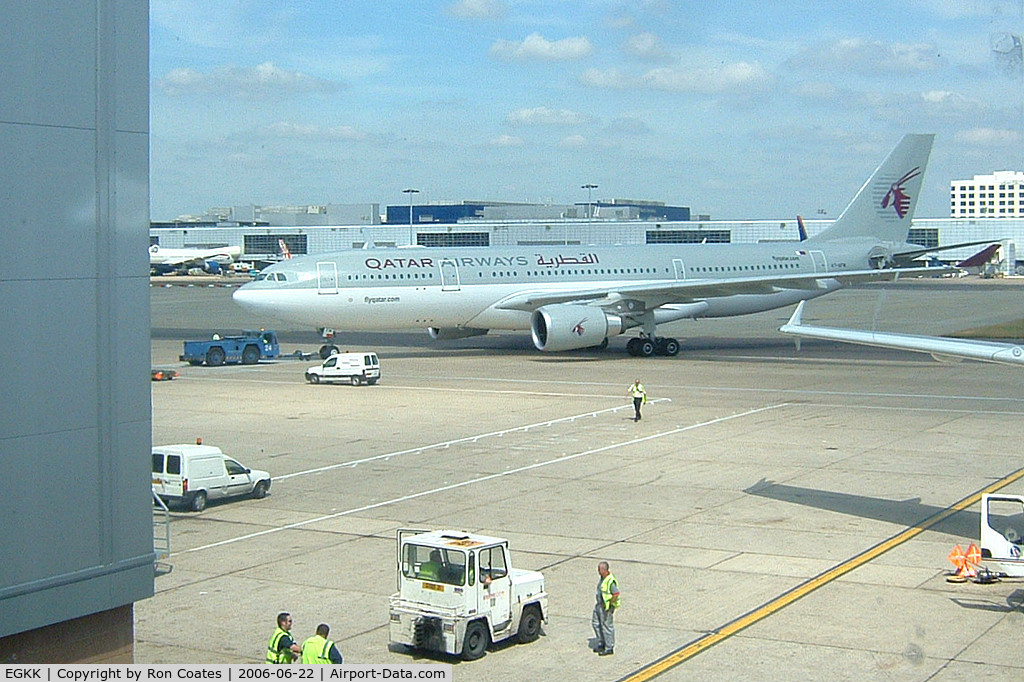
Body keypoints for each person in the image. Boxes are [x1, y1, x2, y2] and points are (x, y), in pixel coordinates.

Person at [592, 561, 620, 656]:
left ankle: (609, 647)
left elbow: (616, 594)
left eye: (599, 569)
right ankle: (601, 642)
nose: (598, 571)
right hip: (599, 605)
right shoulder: (602, 578)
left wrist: (610, 604)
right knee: (596, 623)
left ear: (604, 570)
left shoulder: (610, 581)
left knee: (607, 626)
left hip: (606, 607)